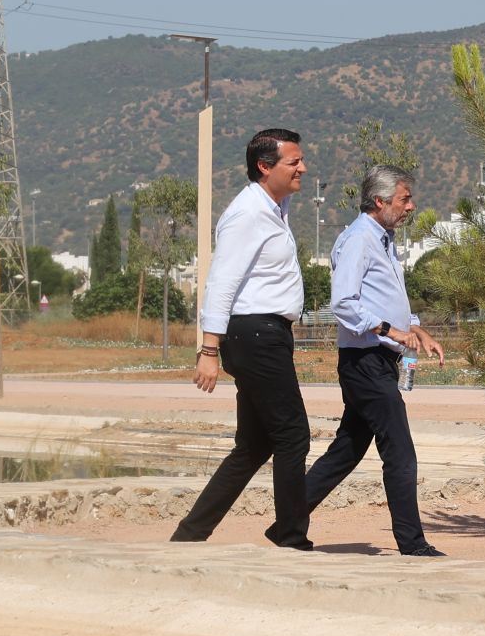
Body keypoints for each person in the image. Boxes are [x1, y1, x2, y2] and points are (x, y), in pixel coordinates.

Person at [170, 129, 313, 550]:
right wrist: (208, 350)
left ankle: (189, 534)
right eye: (294, 162)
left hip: (266, 333)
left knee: (254, 445)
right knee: (292, 435)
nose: (303, 168)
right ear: (264, 167)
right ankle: (291, 539)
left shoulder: (275, 206)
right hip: (254, 334)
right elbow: (221, 283)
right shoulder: (247, 213)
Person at [305, 165, 447, 557]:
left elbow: (389, 295)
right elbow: (344, 303)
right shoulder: (358, 240)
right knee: (399, 452)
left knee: (347, 450)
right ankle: (412, 544)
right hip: (364, 360)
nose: (411, 206)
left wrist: (416, 329)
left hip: (378, 360)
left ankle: (288, 520)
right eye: (404, 199)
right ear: (381, 201)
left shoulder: (383, 239)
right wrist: (388, 329)